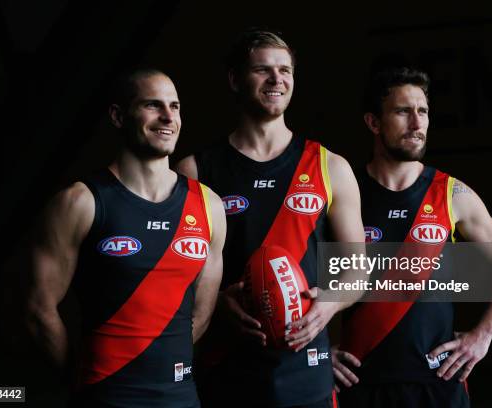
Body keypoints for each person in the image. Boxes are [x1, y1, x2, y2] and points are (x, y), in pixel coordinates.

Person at [175, 29, 366, 407]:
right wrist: (214, 301)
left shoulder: (329, 166)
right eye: (263, 70)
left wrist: (328, 304)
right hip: (226, 366)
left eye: (285, 70)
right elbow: (174, 275)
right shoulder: (196, 170)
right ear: (235, 79)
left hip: (305, 371)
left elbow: (357, 269)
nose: (277, 79)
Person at [26, 68, 226, 407]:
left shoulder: (208, 205)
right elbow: (38, 308)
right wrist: (78, 377)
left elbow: (202, 311)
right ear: (119, 116)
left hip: (180, 398)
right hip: (105, 397)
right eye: (153, 105)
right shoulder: (80, 201)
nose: (167, 117)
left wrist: (157, 366)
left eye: (175, 106)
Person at [332, 67, 492, 407]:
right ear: (373, 122)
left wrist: (483, 336)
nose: (417, 124)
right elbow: (296, 271)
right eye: (403, 111)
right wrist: (317, 352)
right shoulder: (346, 193)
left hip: (436, 384)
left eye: (422, 112)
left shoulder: (452, 194)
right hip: (359, 382)